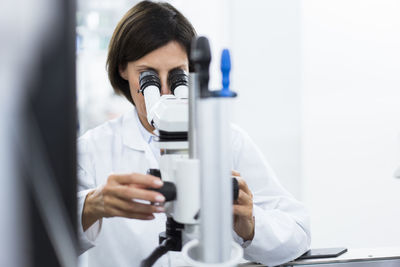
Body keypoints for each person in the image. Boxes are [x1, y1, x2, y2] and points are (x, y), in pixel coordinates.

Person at [77, 1, 311, 266]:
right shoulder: (92, 150)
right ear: (122, 69)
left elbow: (297, 235)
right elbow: (37, 236)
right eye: (148, 77)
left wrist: (250, 223)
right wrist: (92, 205)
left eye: (177, 76)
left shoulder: (227, 140)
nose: (164, 91)